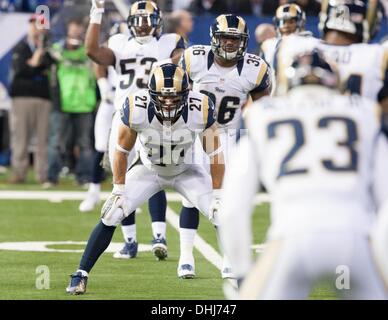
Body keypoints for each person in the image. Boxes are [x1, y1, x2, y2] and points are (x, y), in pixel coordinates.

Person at [219, 50, 388, 299]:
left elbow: (232, 209)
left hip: (291, 235)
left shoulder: (263, 115)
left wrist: (243, 272)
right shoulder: (364, 113)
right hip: (354, 236)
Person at [66, 63, 224, 295]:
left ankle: (242, 276)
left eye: (175, 97)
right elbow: (120, 150)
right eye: (163, 97)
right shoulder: (136, 107)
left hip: (186, 170)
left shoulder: (200, 108)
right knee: (112, 213)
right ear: (151, 95)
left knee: (221, 212)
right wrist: (119, 188)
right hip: (149, 169)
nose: (169, 102)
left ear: (186, 95)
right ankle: (81, 273)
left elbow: (214, 153)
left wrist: (218, 195)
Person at [83, 0, 186, 261]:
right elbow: (92, 51)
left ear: (157, 22)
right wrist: (96, 13)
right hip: (126, 115)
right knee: (122, 180)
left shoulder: (170, 42)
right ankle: (130, 241)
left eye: (147, 21)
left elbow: (182, 68)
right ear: (129, 23)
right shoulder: (119, 42)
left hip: (158, 114)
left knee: (156, 172)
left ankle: (159, 235)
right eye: (137, 21)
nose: (142, 27)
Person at [178, 14, 271, 279]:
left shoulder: (255, 68)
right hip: (196, 135)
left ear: (243, 41)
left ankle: (229, 258)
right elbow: (174, 91)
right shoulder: (193, 58)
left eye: (235, 39)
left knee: (227, 202)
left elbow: (264, 108)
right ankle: (186, 257)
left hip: (228, 136)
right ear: (214, 38)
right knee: (190, 197)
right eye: (225, 38)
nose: (230, 44)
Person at [45, 17, 96, 186]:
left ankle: (84, 177)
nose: (75, 32)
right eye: (72, 29)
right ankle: (52, 177)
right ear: (67, 30)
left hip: (84, 103)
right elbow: (48, 54)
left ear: (82, 31)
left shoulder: (88, 51)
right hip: (62, 103)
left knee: (85, 144)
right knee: (56, 143)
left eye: (78, 29)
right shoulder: (57, 49)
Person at [8, 14, 52, 184]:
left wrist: (37, 60)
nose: (36, 28)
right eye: (34, 24)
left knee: (43, 139)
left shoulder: (48, 48)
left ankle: (43, 175)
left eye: (40, 24)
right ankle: (19, 173)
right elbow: (22, 70)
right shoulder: (21, 47)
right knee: (20, 138)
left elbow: (47, 66)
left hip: (43, 97)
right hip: (22, 97)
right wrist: (36, 61)